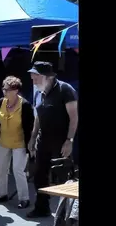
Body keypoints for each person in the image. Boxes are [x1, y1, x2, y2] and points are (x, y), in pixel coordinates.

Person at [27, 62, 78, 218]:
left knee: (64, 177)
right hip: (44, 140)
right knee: (39, 175)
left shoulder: (65, 90)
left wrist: (69, 140)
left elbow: (74, 117)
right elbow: (38, 117)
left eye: (36, 77)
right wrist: (33, 137)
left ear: (47, 77)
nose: (33, 80)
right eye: (32, 77)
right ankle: (42, 208)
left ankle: (68, 214)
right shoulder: (39, 92)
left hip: (62, 140)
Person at [0, 76, 35, 209]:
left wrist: (31, 144)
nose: (5, 92)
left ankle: (24, 198)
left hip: (19, 142)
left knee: (18, 170)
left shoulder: (25, 105)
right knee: (1, 170)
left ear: (16, 90)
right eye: (4, 89)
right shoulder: (1, 102)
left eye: (8, 89)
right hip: (3, 141)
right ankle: (2, 194)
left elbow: (31, 126)